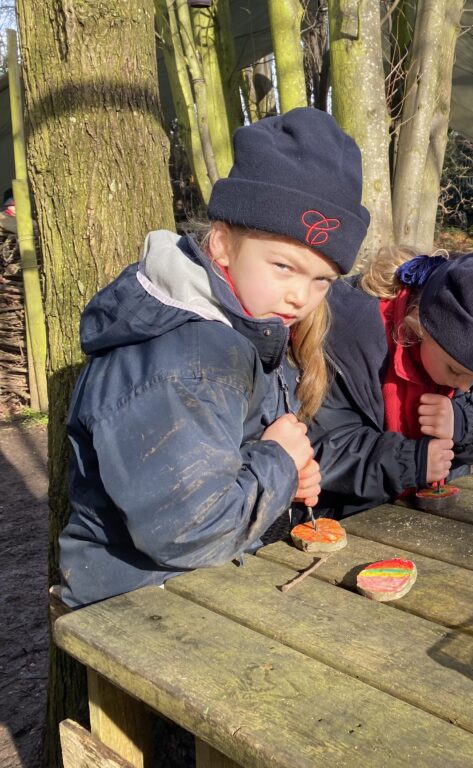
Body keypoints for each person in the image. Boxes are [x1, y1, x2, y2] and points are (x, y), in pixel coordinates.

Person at [58, 107, 371, 606]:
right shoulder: (192, 355)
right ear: (223, 244)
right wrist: (278, 460)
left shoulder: (243, 327)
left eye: (321, 279)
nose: (300, 297)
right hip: (140, 600)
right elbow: (188, 533)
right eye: (284, 266)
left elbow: (212, 463)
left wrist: (279, 475)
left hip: (183, 584)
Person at [311, 247, 473, 517]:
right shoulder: (343, 336)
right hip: (344, 517)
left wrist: (464, 421)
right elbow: (321, 448)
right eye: (454, 370)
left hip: (436, 511)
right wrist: (409, 462)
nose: (465, 388)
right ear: (420, 325)